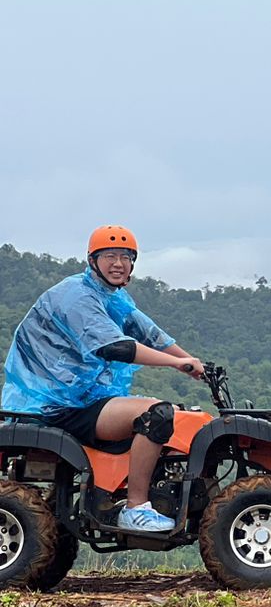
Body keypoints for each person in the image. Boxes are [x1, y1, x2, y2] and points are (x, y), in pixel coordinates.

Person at [2, 226, 206, 532]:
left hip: (82, 399)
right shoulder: (76, 296)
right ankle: (135, 507)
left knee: (175, 413)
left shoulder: (114, 298)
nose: (118, 263)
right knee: (156, 414)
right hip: (56, 405)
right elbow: (118, 347)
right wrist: (177, 364)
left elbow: (150, 334)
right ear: (92, 260)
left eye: (125, 257)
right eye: (109, 256)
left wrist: (192, 363)